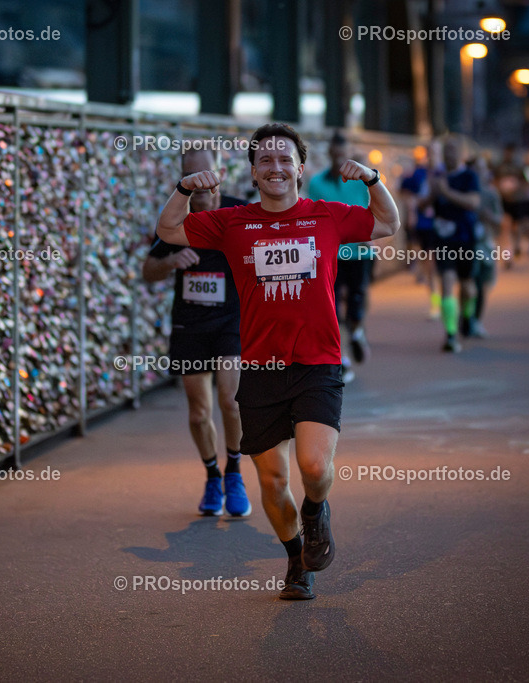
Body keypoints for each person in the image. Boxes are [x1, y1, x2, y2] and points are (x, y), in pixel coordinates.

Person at [155, 123, 401, 601]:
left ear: (300, 169)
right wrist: (185, 187)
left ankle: (316, 511)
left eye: (284, 159)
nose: (275, 167)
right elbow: (167, 229)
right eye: (265, 160)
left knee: (312, 465)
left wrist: (372, 179)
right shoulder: (233, 222)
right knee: (271, 479)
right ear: (252, 172)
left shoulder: (326, 216)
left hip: (318, 361)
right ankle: (295, 560)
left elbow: (388, 223)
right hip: (261, 369)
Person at [142, 148, 251, 517]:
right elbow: (148, 270)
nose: (199, 184)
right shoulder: (176, 218)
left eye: (205, 175)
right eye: (190, 178)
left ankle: (234, 471)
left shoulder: (240, 213)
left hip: (230, 321)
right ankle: (211, 475)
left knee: (230, 400)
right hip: (190, 324)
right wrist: (171, 261)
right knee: (199, 411)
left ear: (219, 172)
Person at [307, 131, 372, 384]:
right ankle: (341, 358)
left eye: (343, 155)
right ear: (329, 154)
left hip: (360, 252)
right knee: (331, 308)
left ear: (348, 154)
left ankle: (357, 333)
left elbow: (373, 208)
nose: (338, 160)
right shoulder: (316, 183)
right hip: (331, 254)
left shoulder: (361, 180)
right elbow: (313, 218)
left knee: (357, 301)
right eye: (335, 155)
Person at [421, 135, 480, 352]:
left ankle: (467, 316)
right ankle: (451, 335)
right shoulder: (436, 178)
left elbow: (473, 202)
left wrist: (446, 192)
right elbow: (422, 205)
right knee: (446, 283)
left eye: (453, 151)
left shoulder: (469, 177)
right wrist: (431, 196)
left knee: (467, 287)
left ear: (461, 154)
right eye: (446, 151)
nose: (449, 155)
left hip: (465, 238)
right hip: (443, 240)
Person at [400, 143, 442, 319]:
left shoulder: (446, 173)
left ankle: (447, 301)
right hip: (426, 226)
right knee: (430, 267)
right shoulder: (418, 173)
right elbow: (404, 190)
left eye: (436, 152)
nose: (432, 155)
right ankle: (435, 304)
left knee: (446, 268)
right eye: (430, 152)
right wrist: (412, 207)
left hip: (446, 228)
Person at [470, 155, 503, 338]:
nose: (479, 173)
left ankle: (476, 320)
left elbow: (500, 220)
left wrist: (489, 216)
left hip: (485, 245)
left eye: (482, 168)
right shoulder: (464, 192)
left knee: (481, 284)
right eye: (475, 169)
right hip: (466, 245)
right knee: (468, 284)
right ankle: (466, 317)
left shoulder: (491, 194)